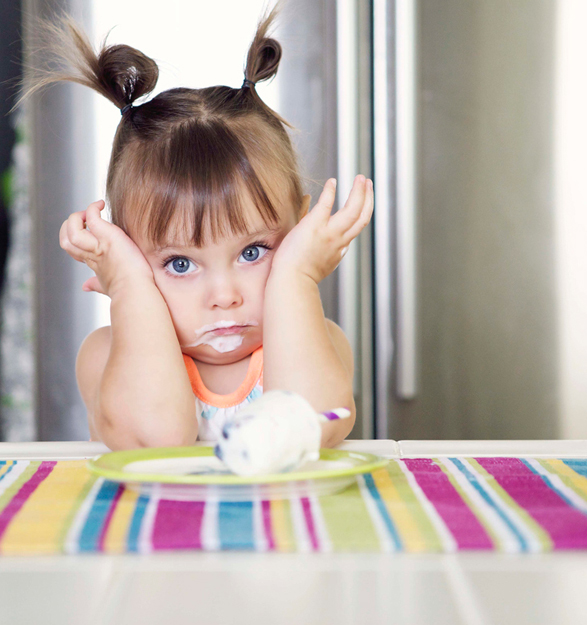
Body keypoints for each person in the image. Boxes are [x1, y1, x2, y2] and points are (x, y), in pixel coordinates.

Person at [26, 3, 373, 450]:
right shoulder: (104, 354)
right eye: (180, 263)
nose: (225, 296)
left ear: (297, 236)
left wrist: (296, 276)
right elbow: (158, 440)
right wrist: (130, 287)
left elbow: (306, 429)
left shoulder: (315, 340)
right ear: (126, 252)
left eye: (254, 252)